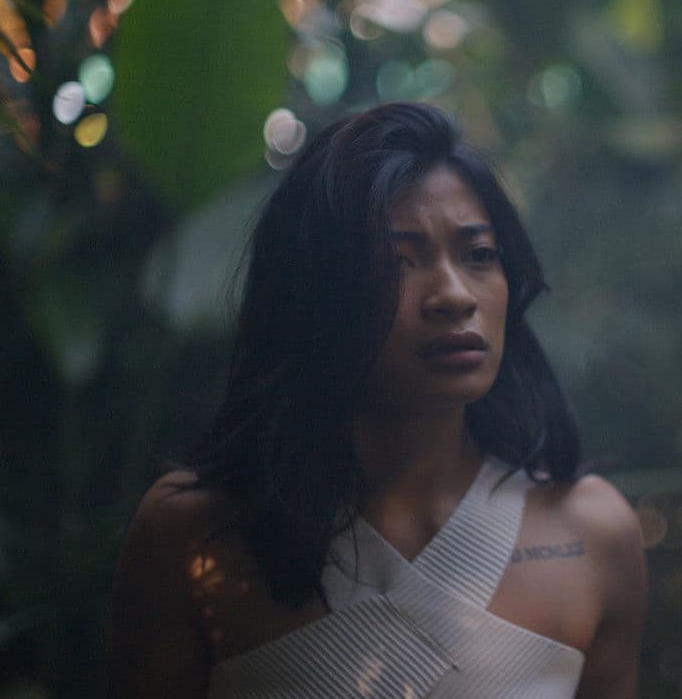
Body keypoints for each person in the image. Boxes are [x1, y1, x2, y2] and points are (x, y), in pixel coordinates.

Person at [105, 102, 647, 698]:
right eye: (396, 261)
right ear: (315, 291)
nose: (454, 296)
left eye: (478, 255)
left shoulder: (593, 532)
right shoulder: (194, 534)